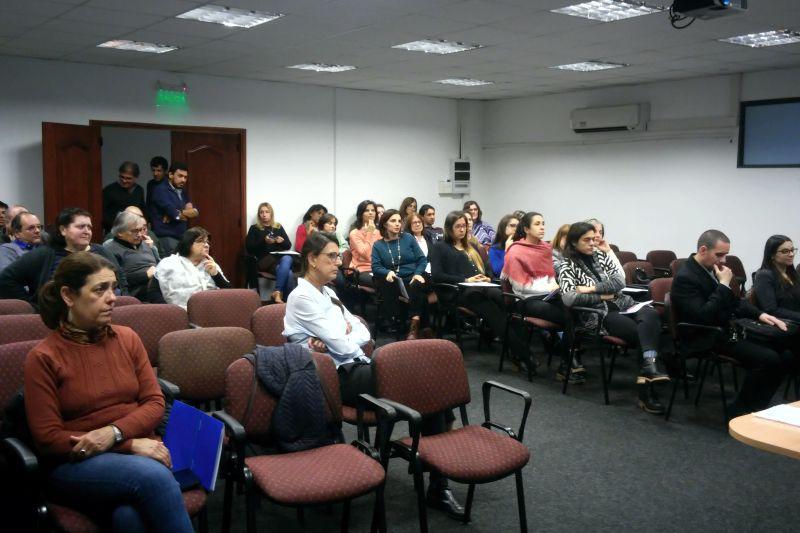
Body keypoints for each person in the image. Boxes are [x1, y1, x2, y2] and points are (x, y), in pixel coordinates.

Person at [283, 231, 464, 518]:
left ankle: (435, 483)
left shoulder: (328, 293)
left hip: (357, 365)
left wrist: (341, 335)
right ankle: (433, 481)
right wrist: (341, 335)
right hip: (332, 377)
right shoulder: (301, 297)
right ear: (311, 260)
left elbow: (363, 332)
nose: (338, 262)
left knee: (428, 388)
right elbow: (343, 341)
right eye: (331, 256)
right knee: (424, 387)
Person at [23, 252, 193, 532]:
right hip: (76, 462)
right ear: (68, 296)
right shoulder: (43, 357)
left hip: (139, 449)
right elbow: (48, 439)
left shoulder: (127, 338)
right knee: (154, 478)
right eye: (100, 289)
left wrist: (113, 434)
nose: (112, 297)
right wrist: (125, 442)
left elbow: (153, 402)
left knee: (128, 519)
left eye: (113, 287)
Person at [671, 230, 792, 416]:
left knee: (785, 354)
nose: (724, 260)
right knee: (768, 359)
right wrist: (723, 285)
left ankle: (758, 406)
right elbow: (702, 316)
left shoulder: (711, 269)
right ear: (703, 250)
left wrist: (760, 315)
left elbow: (735, 301)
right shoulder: (686, 277)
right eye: (720, 255)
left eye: (726, 254)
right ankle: (738, 412)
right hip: (704, 334)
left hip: (725, 329)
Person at [558, 222, 669, 414]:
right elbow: (569, 297)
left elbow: (620, 281)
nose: (593, 243)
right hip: (599, 314)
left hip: (623, 304)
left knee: (650, 313)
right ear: (574, 242)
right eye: (587, 240)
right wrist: (602, 295)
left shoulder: (601, 255)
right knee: (642, 333)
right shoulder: (567, 264)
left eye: (594, 238)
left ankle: (649, 368)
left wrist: (592, 288)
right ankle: (646, 389)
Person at [430, 211, 531, 370]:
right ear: (449, 228)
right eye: (458, 226)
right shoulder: (440, 247)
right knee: (491, 309)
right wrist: (465, 280)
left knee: (507, 301)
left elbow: (483, 270)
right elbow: (437, 275)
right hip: (456, 291)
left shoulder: (469, 246)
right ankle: (522, 354)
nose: (462, 230)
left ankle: (518, 350)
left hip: (479, 287)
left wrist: (486, 278)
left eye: (464, 226)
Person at [0, 207, 127, 303]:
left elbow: (120, 277)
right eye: (81, 227)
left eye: (89, 227)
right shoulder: (45, 254)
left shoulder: (101, 251)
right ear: (63, 230)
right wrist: (32, 305)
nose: (87, 231)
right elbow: (6, 279)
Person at [502, 212, 570, 379]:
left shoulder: (545, 248)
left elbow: (551, 276)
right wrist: (549, 286)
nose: (542, 227)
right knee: (567, 316)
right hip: (526, 300)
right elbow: (521, 286)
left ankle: (568, 361)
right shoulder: (515, 251)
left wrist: (555, 287)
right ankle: (569, 361)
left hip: (549, 296)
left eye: (543, 223)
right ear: (526, 228)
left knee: (574, 309)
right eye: (537, 224)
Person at [372, 209, 429, 339]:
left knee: (416, 285)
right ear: (385, 224)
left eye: (399, 221)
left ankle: (413, 327)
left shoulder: (408, 238)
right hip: (397, 280)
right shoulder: (378, 245)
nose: (397, 224)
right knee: (420, 296)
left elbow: (422, 259)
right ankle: (425, 326)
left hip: (414, 275)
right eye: (393, 221)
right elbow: (375, 267)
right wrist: (387, 272)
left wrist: (418, 273)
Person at [155, 227, 230, 309]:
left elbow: (230, 294)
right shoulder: (169, 263)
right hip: (179, 314)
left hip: (211, 312)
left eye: (207, 242)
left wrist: (216, 274)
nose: (206, 245)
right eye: (200, 241)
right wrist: (169, 311)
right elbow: (153, 291)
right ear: (188, 244)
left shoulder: (211, 264)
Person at [103, 211, 160, 302]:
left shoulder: (146, 244)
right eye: (134, 231)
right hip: (136, 295)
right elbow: (116, 280)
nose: (140, 234)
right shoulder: (109, 248)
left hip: (158, 287)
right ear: (120, 232)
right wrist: (145, 275)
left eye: (141, 230)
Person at [245, 202, 293, 303]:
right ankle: (284, 298)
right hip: (264, 261)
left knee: (289, 273)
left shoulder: (278, 227)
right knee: (288, 261)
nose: (264, 214)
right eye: (261, 212)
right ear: (259, 215)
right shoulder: (254, 228)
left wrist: (282, 241)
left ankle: (279, 296)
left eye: (267, 212)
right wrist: (264, 241)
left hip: (278, 260)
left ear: (271, 214)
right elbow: (249, 248)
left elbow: (288, 245)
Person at [150, 162, 198, 255]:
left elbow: (195, 212)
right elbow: (176, 214)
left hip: (181, 237)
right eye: (180, 176)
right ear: (171, 175)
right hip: (166, 238)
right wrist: (180, 214)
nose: (183, 180)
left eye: (185, 177)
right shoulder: (160, 190)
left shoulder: (182, 192)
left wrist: (178, 213)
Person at [753, 235, 800, 322]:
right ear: (772, 255)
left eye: (792, 250)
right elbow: (771, 310)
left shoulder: (792, 273)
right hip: (783, 325)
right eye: (785, 251)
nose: (791, 254)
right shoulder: (764, 275)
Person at [102, 161, 146, 234]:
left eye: (128, 178)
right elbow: (103, 214)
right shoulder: (109, 190)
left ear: (136, 177)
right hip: (114, 231)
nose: (124, 180)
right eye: (122, 177)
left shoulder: (139, 190)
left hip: (135, 231)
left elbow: (143, 209)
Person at [348, 200, 380, 288]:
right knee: (382, 284)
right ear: (360, 214)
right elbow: (366, 254)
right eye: (367, 210)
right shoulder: (354, 233)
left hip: (378, 268)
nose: (370, 213)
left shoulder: (379, 232)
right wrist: (370, 232)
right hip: (360, 270)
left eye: (373, 210)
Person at [145, 156, 168, 223]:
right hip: (153, 221)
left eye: (159, 171)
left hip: (167, 221)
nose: (155, 174)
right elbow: (148, 204)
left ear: (165, 171)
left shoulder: (171, 184)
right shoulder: (150, 184)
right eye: (153, 170)